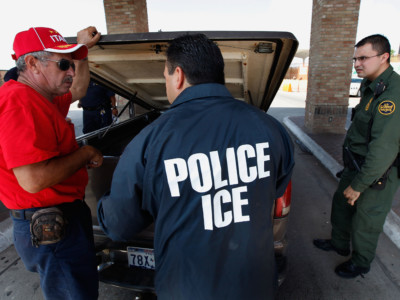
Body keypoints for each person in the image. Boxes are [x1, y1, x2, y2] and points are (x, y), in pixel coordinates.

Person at [97, 33, 294, 299]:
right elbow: (274, 186)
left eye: (165, 76)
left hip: (187, 289)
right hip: (255, 284)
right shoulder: (272, 129)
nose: (167, 81)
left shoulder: (150, 141)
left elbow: (119, 224)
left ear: (177, 75)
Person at [0, 26, 103, 300]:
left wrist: (82, 52)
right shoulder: (20, 101)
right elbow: (33, 180)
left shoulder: (42, 97)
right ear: (32, 63)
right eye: (63, 64)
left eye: (70, 64)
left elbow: (80, 87)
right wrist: (85, 153)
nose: (70, 72)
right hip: (50, 227)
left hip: (61, 220)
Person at [314, 34, 400, 278]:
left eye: (363, 58)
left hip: (379, 171)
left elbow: (383, 149)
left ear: (384, 57)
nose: (357, 63)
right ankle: (339, 244)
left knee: (366, 219)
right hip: (357, 165)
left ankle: (361, 262)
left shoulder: (392, 95)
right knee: (341, 204)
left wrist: (359, 185)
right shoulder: (371, 85)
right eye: (355, 59)